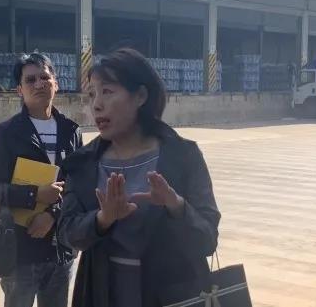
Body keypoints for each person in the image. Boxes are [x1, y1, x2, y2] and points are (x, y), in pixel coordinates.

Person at [58, 48, 220, 307]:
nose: (96, 104)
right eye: (91, 95)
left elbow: (206, 240)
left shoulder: (183, 156)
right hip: (103, 294)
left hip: (169, 295)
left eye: (107, 91)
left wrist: (176, 205)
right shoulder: (83, 164)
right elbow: (67, 233)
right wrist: (103, 219)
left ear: (141, 96)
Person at [0, 52, 84, 307]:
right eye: (30, 80)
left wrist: (53, 214)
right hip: (19, 252)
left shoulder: (71, 131)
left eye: (45, 77)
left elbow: (80, 187)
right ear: (20, 89)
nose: (39, 84)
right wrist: (34, 194)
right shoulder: (7, 133)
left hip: (60, 250)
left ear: (55, 83)